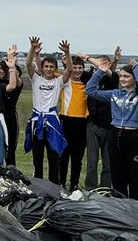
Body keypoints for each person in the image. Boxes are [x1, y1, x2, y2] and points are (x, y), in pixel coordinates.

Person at [83, 56, 138, 200]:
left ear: (134, 79)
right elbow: (90, 90)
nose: (122, 79)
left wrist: (137, 69)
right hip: (114, 134)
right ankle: (120, 205)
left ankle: (136, 207)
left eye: (126, 76)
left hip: (133, 136)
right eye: (121, 76)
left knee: (135, 175)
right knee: (117, 173)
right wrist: (101, 71)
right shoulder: (114, 93)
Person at [24, 38, 66, 182]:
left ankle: (54, 185)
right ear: (42, 67)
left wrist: (66, 52)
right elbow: (28, 63)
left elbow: (70, 70)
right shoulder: (36, 79)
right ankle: (38, 184)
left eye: (51, 66)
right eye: (46, 66)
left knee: (53, 156)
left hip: (52, 122)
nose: (48, 69)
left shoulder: (58, 82)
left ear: (55, 68)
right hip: (37, 121)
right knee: (37, 157)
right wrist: (32, 48)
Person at [84, 47, 120, 190]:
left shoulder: (114, 78)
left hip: (109, 126)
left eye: (105, 63)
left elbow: (109, 72)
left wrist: (86, 56)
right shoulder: (90, 77)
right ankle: (90, 189)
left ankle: (105, 189)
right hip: (93, 124)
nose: (101, 65)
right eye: (99, 63)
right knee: (92, 162)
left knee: (108, 162)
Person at [56, 41, 89, 190]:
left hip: (82, 122)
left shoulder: (87, 83)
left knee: (77, 157)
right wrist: (67, 54)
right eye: (74, 67)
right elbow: (44, 71)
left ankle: (74, 185)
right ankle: (61, 183)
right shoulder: (64, 80)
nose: (76, 70)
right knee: (63, 155)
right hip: (65, 120)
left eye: (79, 67)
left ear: (83, 69)